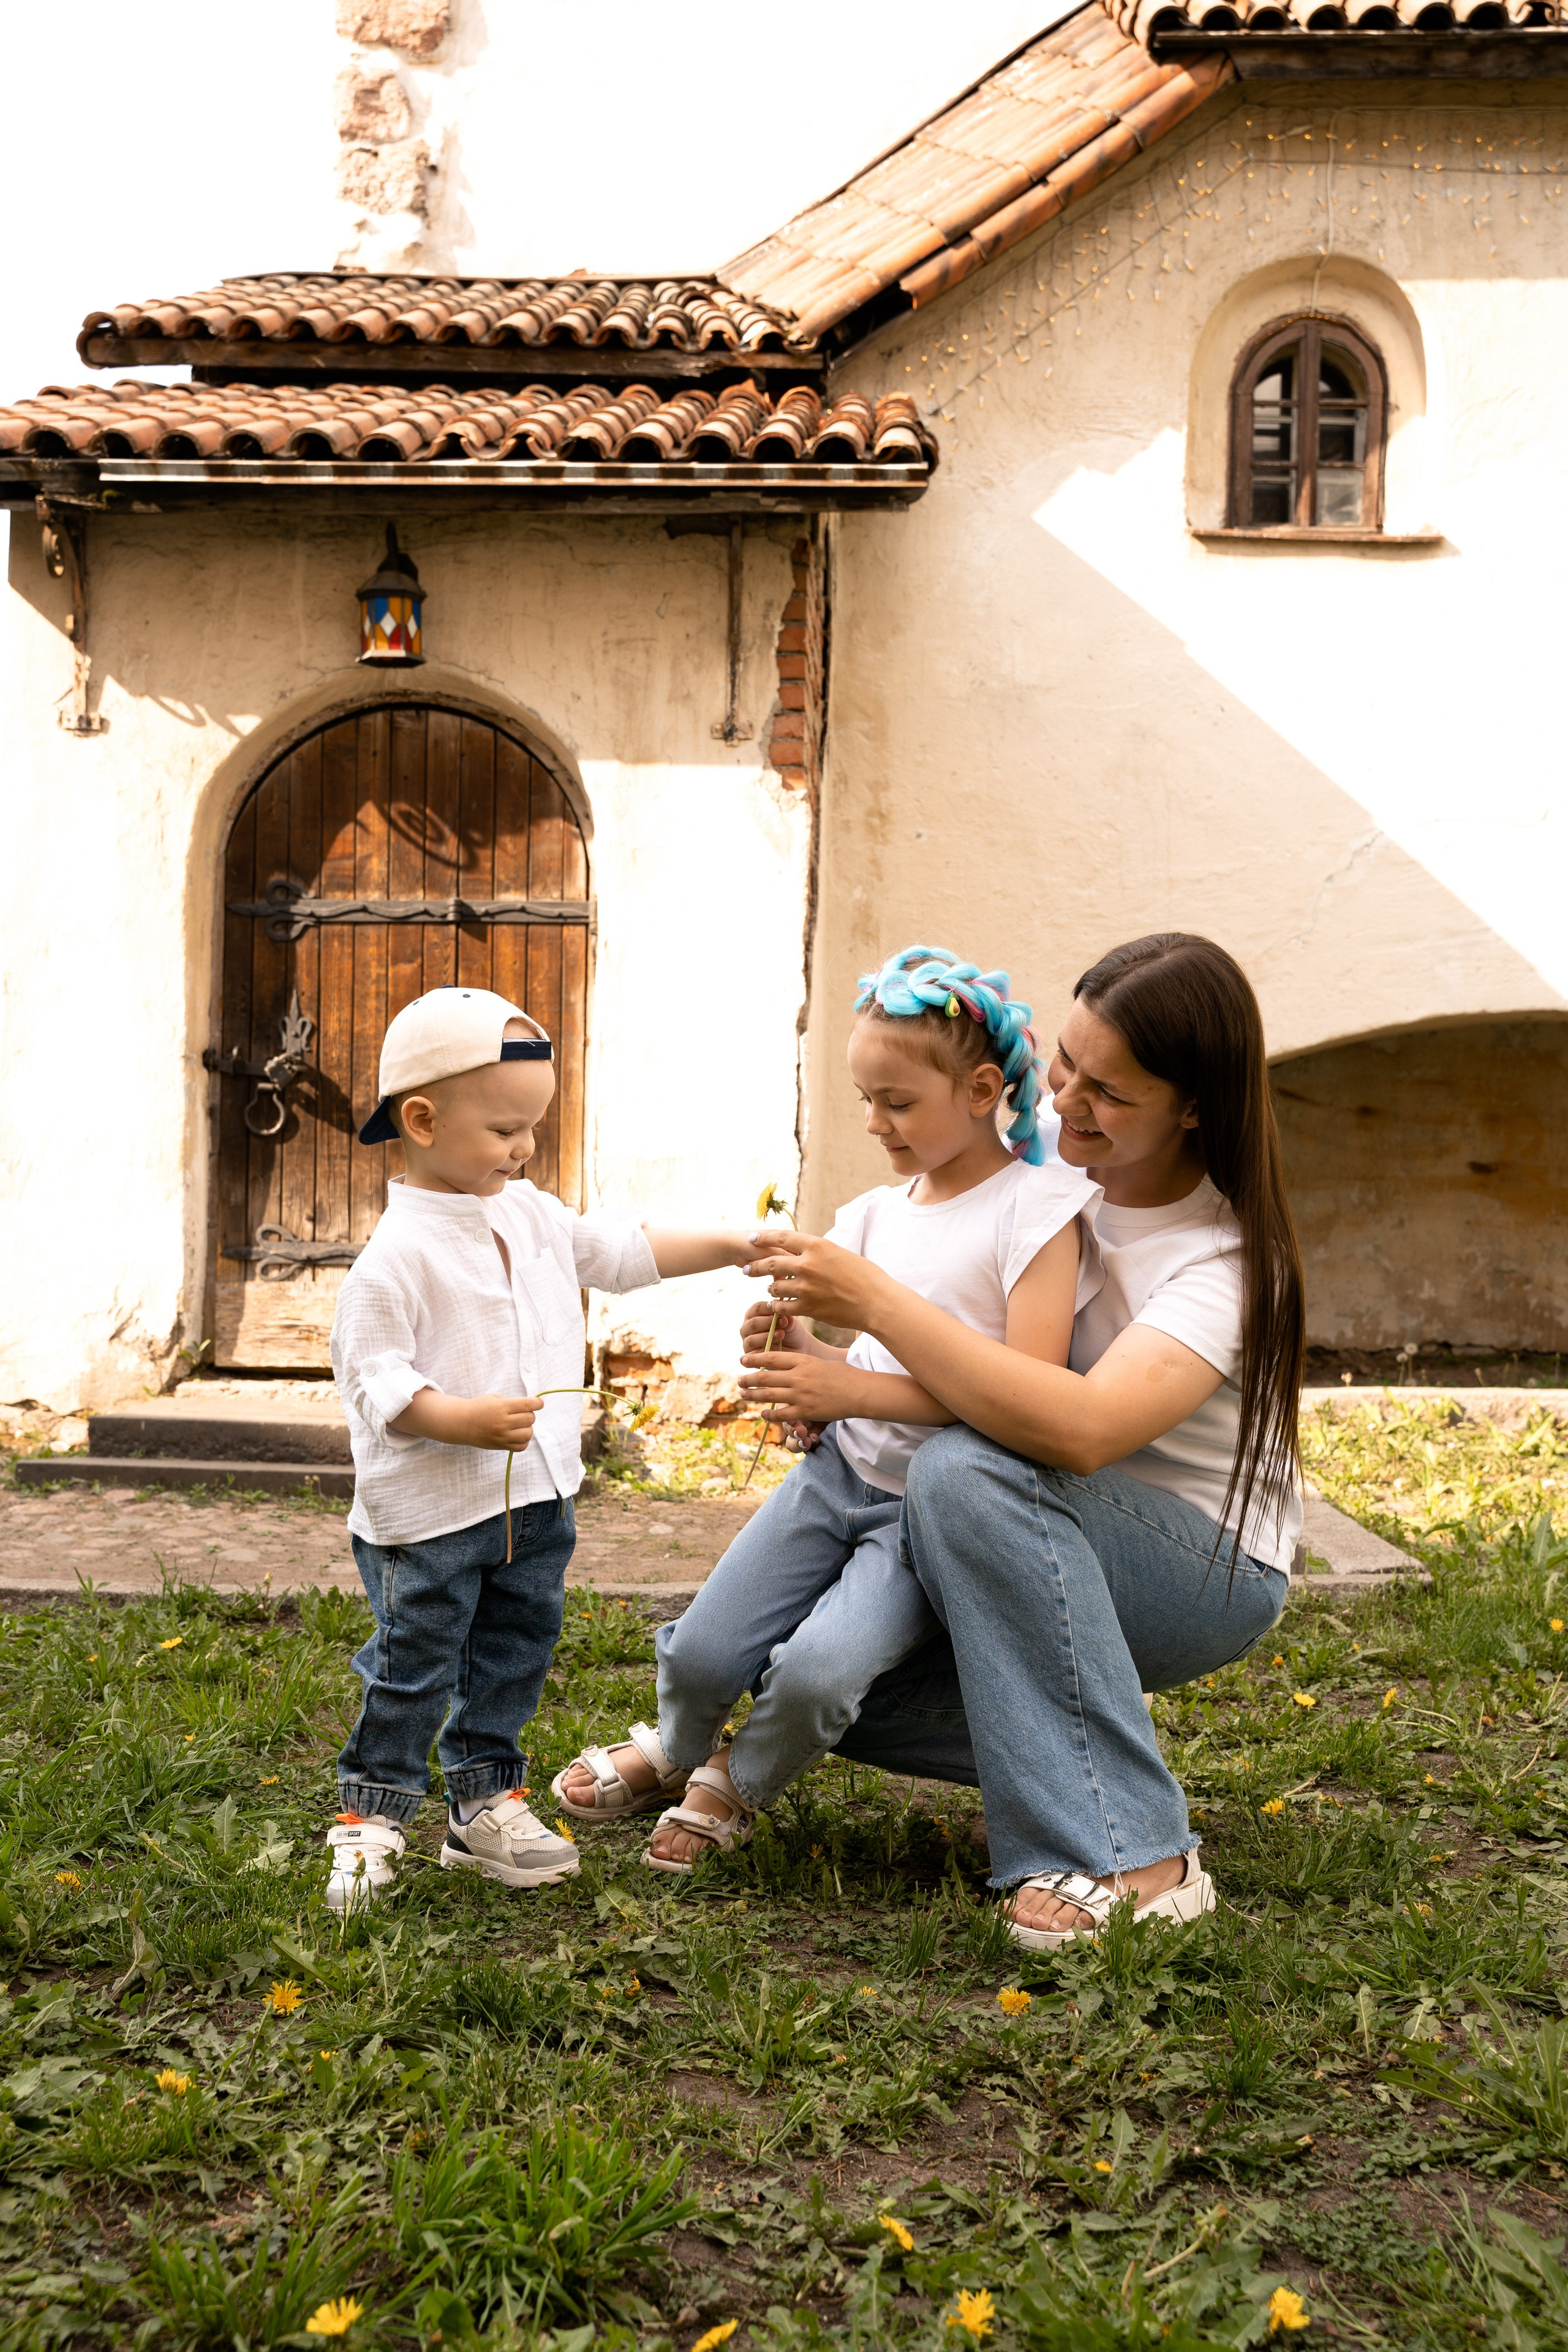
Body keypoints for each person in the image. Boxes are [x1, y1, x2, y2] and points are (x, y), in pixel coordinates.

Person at [741, 934, 1303, 1951]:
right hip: (1019, 1529)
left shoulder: (1225, 1264)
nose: (1071, 1101)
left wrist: (874, 1301)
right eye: (1067, 1064)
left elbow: (1080, 1431)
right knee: (809, 1677)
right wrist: (826, 1374)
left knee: (965, 1465)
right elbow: (947, 1291)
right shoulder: (1045, 1153)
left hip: (1195, 1562)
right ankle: (1095, 1763)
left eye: (1110, 1091)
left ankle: (1145, 1857)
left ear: (1194, 1108)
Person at [553, 945, 1098, 1871]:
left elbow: (1024, 1392)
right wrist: (797, 1363)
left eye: (898, 1102)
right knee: (701, 1655)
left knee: (818, 1676)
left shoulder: (1037, 1212)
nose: (878, 1123)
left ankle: (734, 1780)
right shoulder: (872, 1219)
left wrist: (848, 1386)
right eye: (866, 1101)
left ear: (978, 1089)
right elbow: (847, 1358)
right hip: (832, 1478)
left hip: (923, 1513)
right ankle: (677, 1741)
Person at [324, 985, 760, 1914]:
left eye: (532, 1127)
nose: (523, 1148)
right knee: (415, 1662)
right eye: (503, 1129)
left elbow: (620, 1250)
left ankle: (483, 1804)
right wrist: (461, 1418)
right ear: (423, 1119)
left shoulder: (529, 1214)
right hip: (432, 1517)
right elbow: (379, 1384)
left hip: (534, 1502)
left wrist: (730, 1242)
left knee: (513, 1653)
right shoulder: (393, 1258)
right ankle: (371, 1817)